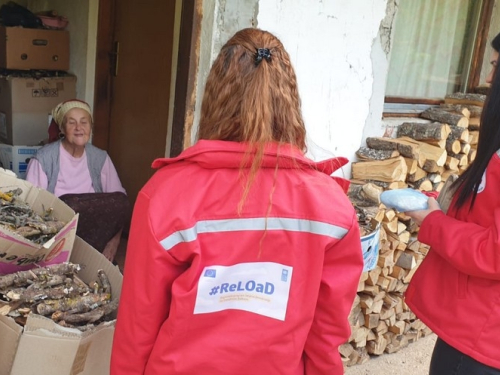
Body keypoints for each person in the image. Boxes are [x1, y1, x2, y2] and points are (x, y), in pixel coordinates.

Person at [111, 28, 363, 375]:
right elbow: (326, 336)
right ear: (289, 100)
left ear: (214, 96)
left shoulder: (165, 195)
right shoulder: (331, 208)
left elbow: (137, 328)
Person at [404, 32, 500, 375]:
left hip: (482, 338)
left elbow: (494, 252)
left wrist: (433, 222)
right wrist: (443, 205)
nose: (488, 78)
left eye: (495, 65)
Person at [25, 99, 129, 262]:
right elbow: (31, 207)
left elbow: (120, 205)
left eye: (84, 122)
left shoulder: (100, 158)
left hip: (95, 235)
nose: (79, 128)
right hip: (58, 231)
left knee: (121, 201)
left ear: (90, 127)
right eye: (71, 123)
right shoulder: (44, 159)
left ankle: (92, 258)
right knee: (70, 205)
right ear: (62, 128)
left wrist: (113, 244)